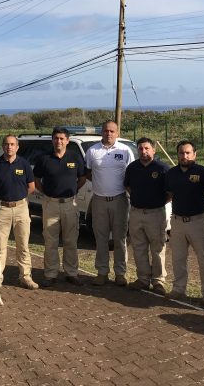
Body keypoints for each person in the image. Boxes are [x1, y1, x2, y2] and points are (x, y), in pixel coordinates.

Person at [33, 127, 87, 287]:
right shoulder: (44, 159)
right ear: (52, 140)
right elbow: (36, 179)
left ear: (67, 140)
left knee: (71, 241)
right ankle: (50, 274)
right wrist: (47, 194)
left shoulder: (75, 157)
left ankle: (71, 273)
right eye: (56, 138)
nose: (59, 141)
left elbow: (82, 178)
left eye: (62, 138)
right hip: (51, 205)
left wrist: (73, 191)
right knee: (51, 242)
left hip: (70, 204)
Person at [165, 140, 204, 303]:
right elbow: (170, 194)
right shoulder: (171, 173)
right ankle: (179, 289)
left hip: (198, 221)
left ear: (195, 154)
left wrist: (203, 205)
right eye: (181, 153)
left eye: (188, 153)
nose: (184, 156)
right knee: (178, 258)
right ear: (177, 154)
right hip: (178, 221)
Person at [0, 135, 38, 290]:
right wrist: (3, 199)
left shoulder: (24, 164)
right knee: (0, 247)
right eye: (7, 144)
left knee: (23, 246)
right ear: (3, 146)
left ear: (17, 146)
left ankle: (26, 277)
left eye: (12, 144)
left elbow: (31, 187)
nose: (9, 147)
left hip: (21, 208)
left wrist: (18, 199)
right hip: (2, 209)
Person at [85, 120, 134, 286]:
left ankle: (120, 273)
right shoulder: (92, 151)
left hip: (120, 199)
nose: (109, 133)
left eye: (112, 131)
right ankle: (102, 272)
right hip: (99, 200)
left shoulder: (125, 150)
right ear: (101, 132)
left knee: (120, 239)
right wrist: (102, 185)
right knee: (101, 238)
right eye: (106, 130)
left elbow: (131, 173)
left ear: (117, 133)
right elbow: (89, 173)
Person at [124, 137, 170, 295]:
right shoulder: (132, 167)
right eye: (141, 149)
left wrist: (157, 202)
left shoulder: (162, 168)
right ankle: (143, 278)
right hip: (136, 212)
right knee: (139, 247)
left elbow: (170, 193)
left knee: (158, 248)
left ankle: (158, 281)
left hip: (155, 213)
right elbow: (128, 186)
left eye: (147, 148)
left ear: (153, 150)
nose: (143, 151)